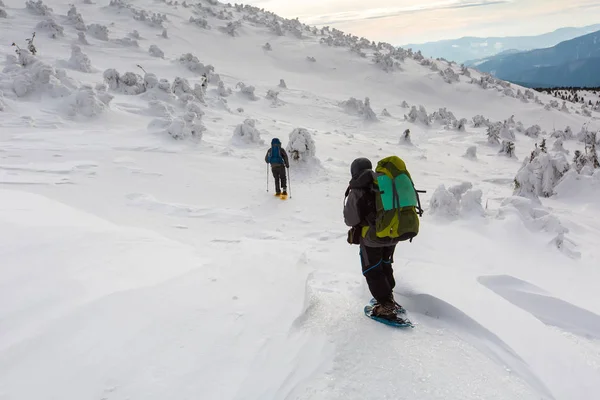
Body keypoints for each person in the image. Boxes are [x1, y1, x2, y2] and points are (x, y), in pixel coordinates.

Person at [343, 157, 400, 320]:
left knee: (372, 270)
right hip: (393, 233)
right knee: (385, 264)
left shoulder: (358, 188)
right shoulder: (383, 182)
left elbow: (350, 219)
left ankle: (386, 306)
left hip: (371, 238)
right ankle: (388, 298)